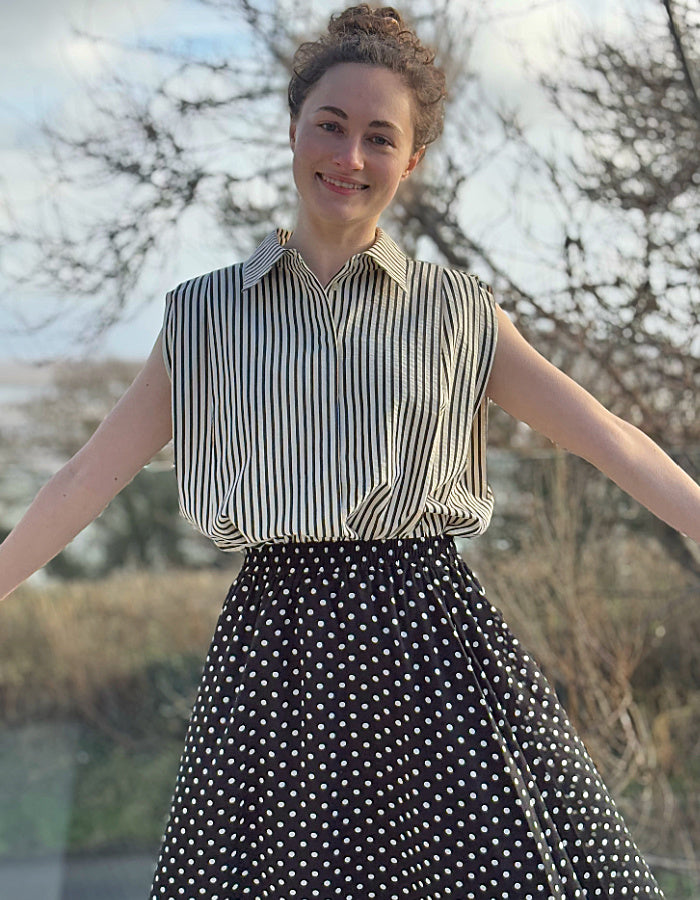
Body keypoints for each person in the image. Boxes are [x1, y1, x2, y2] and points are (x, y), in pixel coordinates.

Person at [1, 4, 698, 897]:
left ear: (411, 160)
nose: (350, 156)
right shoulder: (205, 317)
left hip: (432, 649)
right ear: (293, 127)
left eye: (380, 137)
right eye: (330, 125)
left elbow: (613, 443)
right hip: (276, 660)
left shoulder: (457, 313)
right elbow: (81, 485)